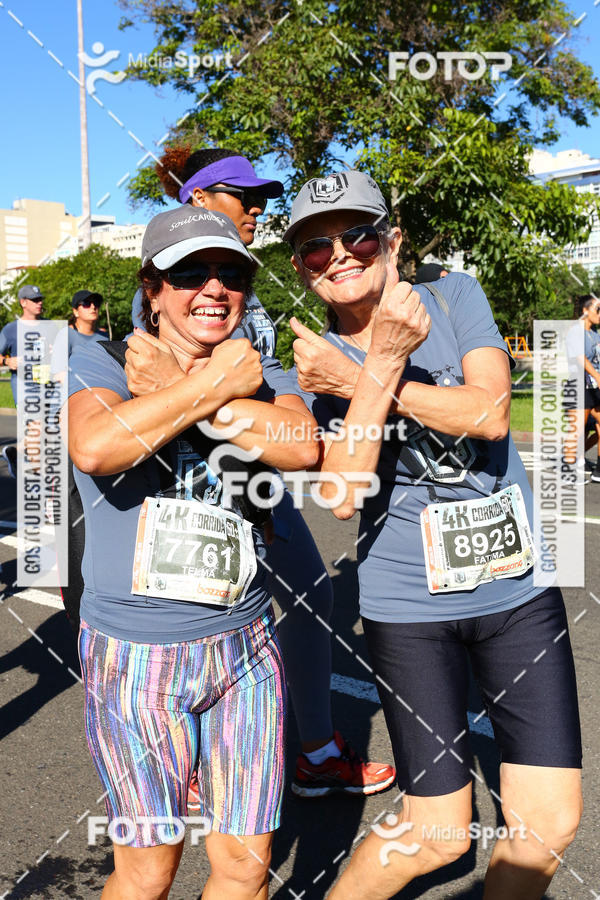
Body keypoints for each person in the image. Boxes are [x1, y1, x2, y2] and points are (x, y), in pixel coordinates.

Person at [285, 170, 582, 900]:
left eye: (355, 234)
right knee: (434, 834)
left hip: (517, 593)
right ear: (301, 268)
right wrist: (380, 359)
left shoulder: (456, 297)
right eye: (316, 248)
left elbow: (487, 414)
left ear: (393, 238)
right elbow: (344, 492)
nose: (340, 255)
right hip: (409, 610)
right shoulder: (299, 364)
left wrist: (360, 376)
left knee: (548, 826)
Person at [127, 145, 395, 798]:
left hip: (261, 482)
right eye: (242, 196)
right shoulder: (170, 287)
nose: (257, 208)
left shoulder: (249, 293)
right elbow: (169, 400)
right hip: (193, 497)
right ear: (197, 200)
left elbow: (284, 418)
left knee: (313, 596)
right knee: (196, 617)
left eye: (261, 198)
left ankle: (314, 751)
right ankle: (183, 754)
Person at [68, 206, 319, 899]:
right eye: (190, 274)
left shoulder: (260, 365)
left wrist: (192, 398)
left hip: (244, 646)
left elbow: (300, 447)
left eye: (230, 272)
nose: (213, 288)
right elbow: (97, 445)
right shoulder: (99, 356)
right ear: (151, 288)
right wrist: (217, 390)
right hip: (135, 655)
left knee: (245, 866)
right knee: (150, 869)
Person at [0, 284, 45, 477]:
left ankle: (17, 451)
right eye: (35, 300)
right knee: (37, 430)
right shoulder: (11, 330)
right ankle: (39, 483)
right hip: (24, 387)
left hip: (47, 385)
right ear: (22, 303)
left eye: (40, 299)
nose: (39, 303)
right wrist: (7, 360)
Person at [564, 296, 600, 483]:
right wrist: (597, 376)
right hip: (578, 384)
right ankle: (569, 470)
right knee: (577, 430)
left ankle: (591, 467)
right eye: (598, 309)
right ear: (586, 310)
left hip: (593, 388)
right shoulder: (575, 331)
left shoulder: (595, 334)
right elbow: (580, 358)